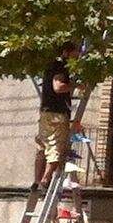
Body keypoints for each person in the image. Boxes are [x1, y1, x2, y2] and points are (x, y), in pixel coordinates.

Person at [34, 50, 78, 187]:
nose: (77, 56)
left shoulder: (50, 66)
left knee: (43, 146)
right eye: (75, 52)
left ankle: (37, 180)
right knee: (56, 147)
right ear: (67, 52)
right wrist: (75, 85)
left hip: (46, 112)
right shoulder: (61, 67)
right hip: (57, 114)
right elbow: (58, 87)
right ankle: (46, 178)